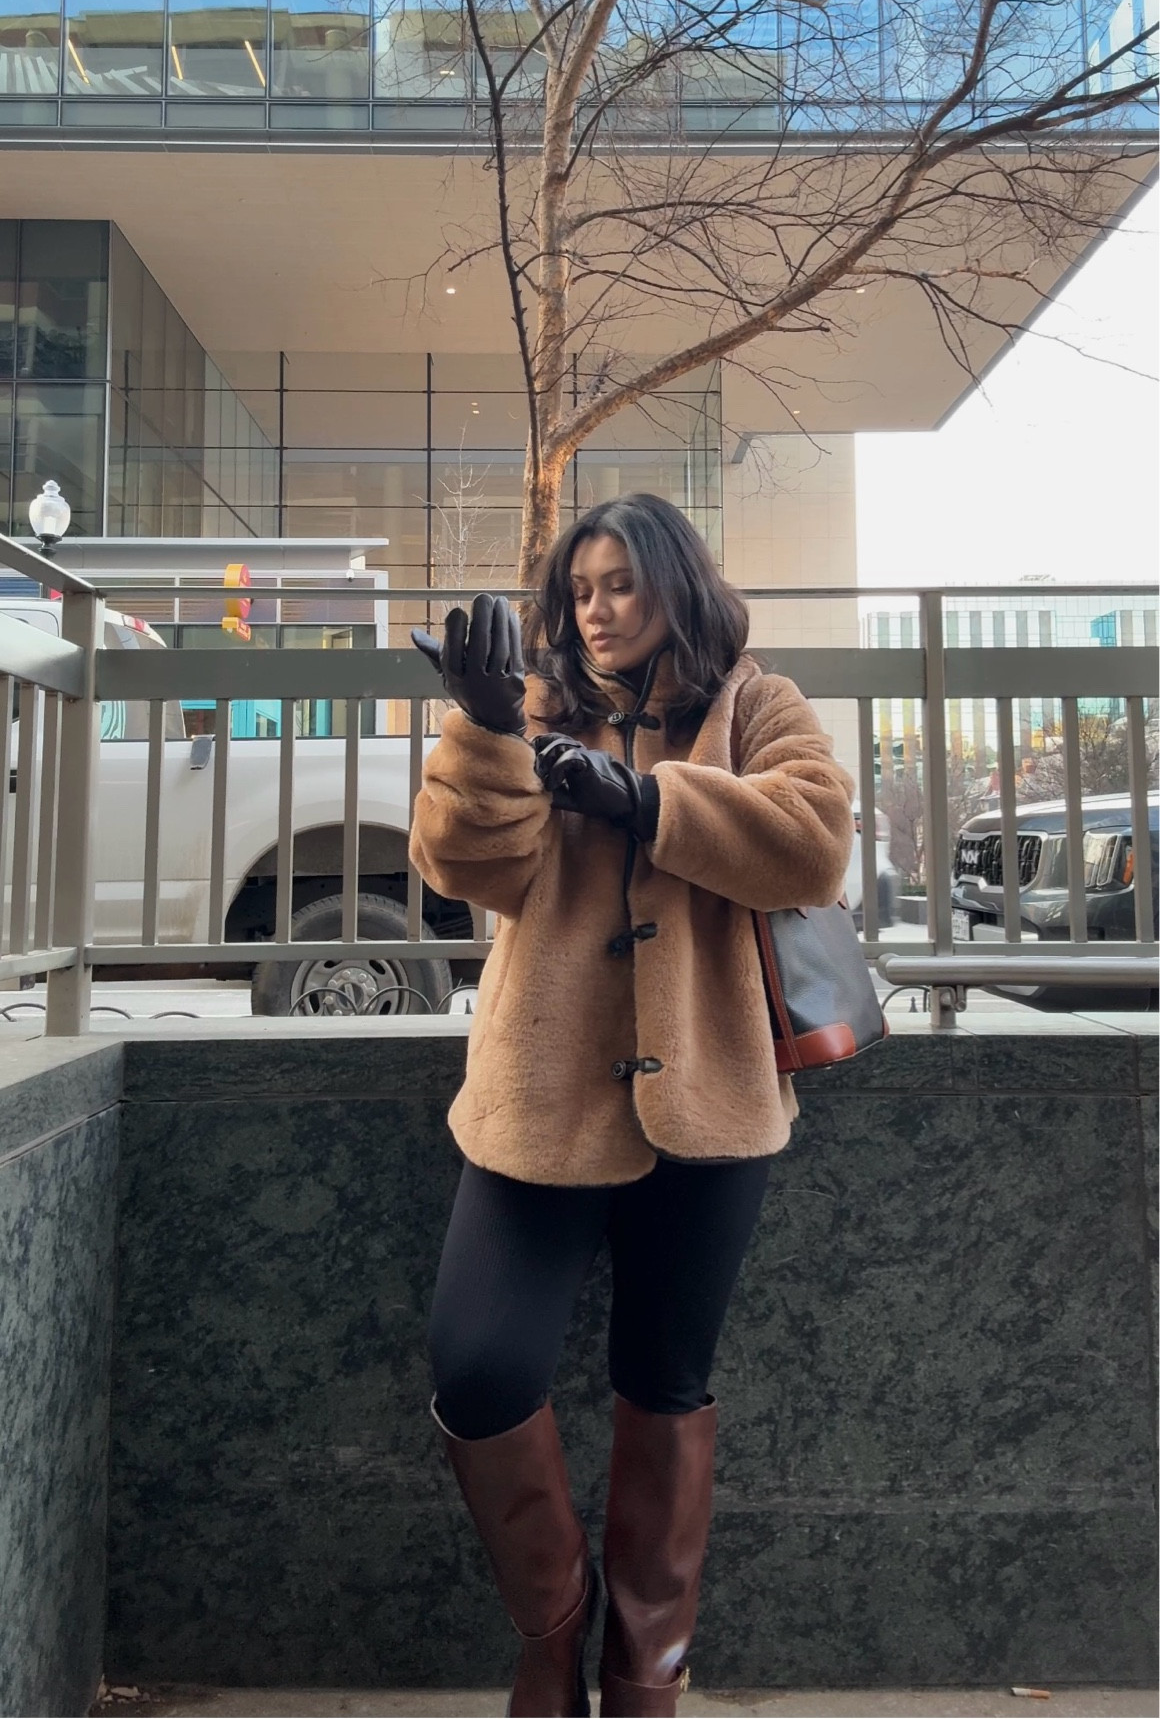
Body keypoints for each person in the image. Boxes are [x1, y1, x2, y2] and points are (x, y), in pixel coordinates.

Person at [409, 493, 855, 1719]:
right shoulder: (536, 705)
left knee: (666, 1382)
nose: (594, 611)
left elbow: (813, 844)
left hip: (709, 1111)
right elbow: (464, 868)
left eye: (618, 584)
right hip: (534, 1101)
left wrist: (644, 802)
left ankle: (642, 1676)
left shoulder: (754, 703)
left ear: (674, 582)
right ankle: (552, 1635)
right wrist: (491, 732)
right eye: (579, 590)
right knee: (479, 1367)